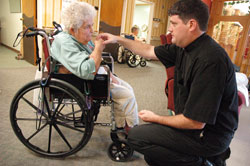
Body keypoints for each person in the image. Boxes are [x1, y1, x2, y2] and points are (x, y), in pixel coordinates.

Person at [98, 0, 238, 165]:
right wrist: (117, 39)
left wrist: (156, 118)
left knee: (137, 138)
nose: (169, 29)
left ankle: (205, 161)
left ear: (191, 24)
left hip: (208, 138)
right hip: (192, 126)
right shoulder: (184, 46)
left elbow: (196, 122)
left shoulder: (211, 60)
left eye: (173, 23)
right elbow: (149, 51)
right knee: (154, 156)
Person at [50, 1, 139, 132]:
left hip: (95, 76)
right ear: (72, 29)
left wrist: (97, 47)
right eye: (87, 27)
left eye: (92, 25)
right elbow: (87, 71)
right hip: (83, 81)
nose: (92, 31)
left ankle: (121, 125)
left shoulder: (77, 38)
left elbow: (93, 55)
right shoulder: (65, 43)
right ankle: (129, 129)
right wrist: (98, 49)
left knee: (127, 88)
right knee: (127, 94)